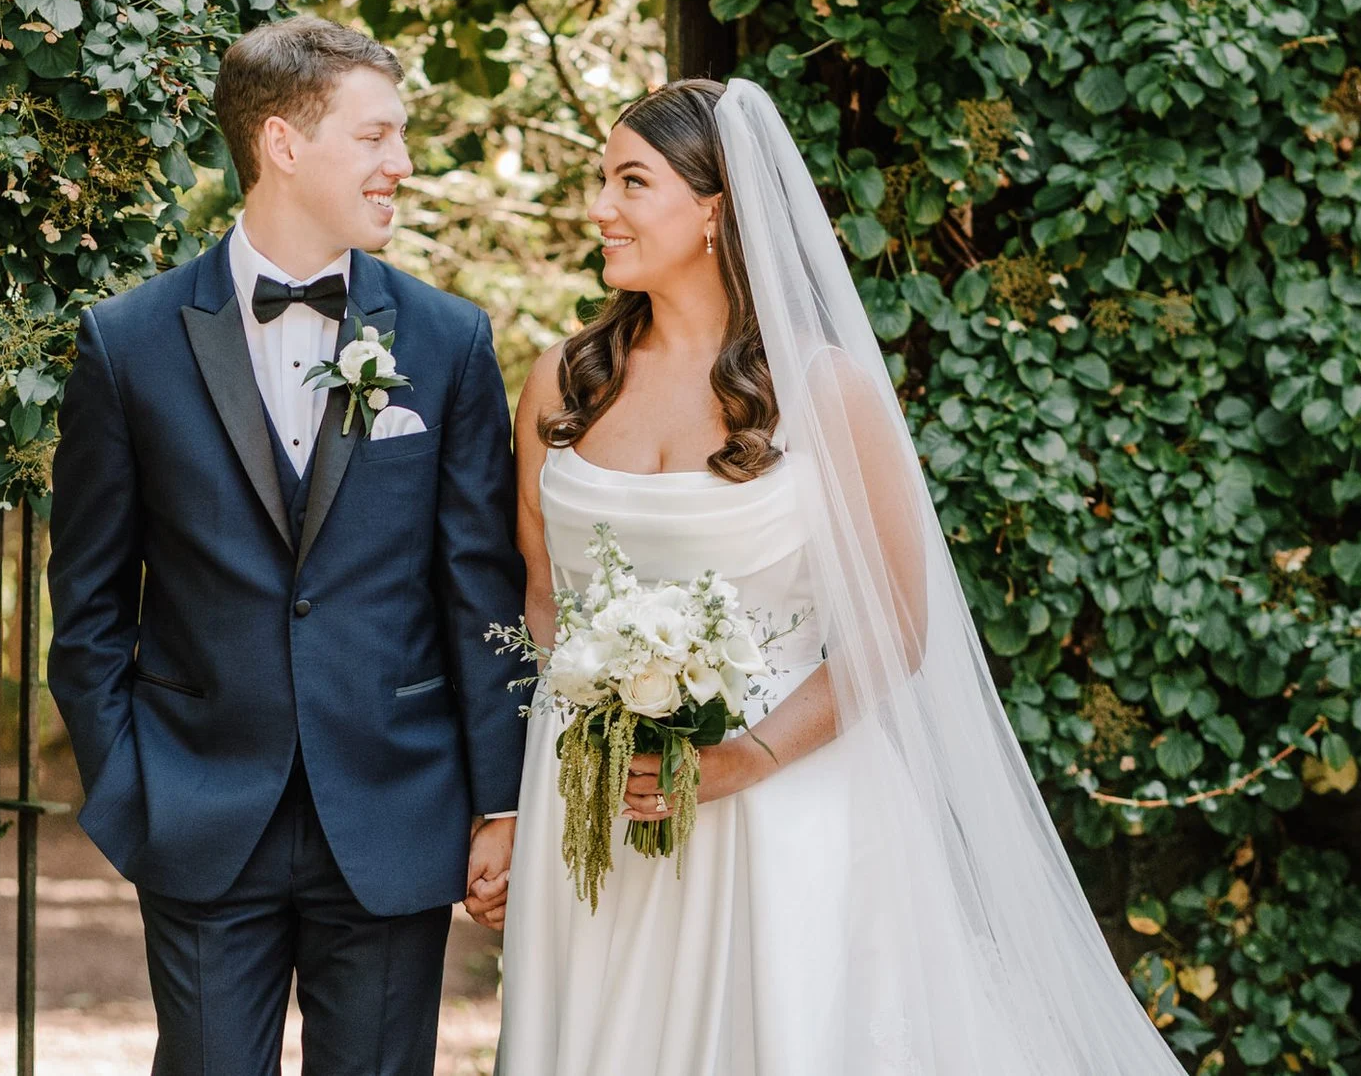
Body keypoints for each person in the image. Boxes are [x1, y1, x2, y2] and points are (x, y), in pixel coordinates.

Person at [494, 77, 1192, 1076]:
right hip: (598, 808)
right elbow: (542, 593)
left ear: (713, 209)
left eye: (629, 180)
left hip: (784, 818)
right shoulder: (562, 380)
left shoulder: (824, 391)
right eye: (599, 179)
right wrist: (597, 742)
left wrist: (742, 758)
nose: (599, 206)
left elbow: (896, 627)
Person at [47, 16, 529, 1076]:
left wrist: (499, 798)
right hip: (200, 808)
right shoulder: (127, 343)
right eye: (376, 136)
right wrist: (130, 784)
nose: (400, 163)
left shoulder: (447, 340)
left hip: (396, 807)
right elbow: (85, 604)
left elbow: (479, 588)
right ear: (284, 143)